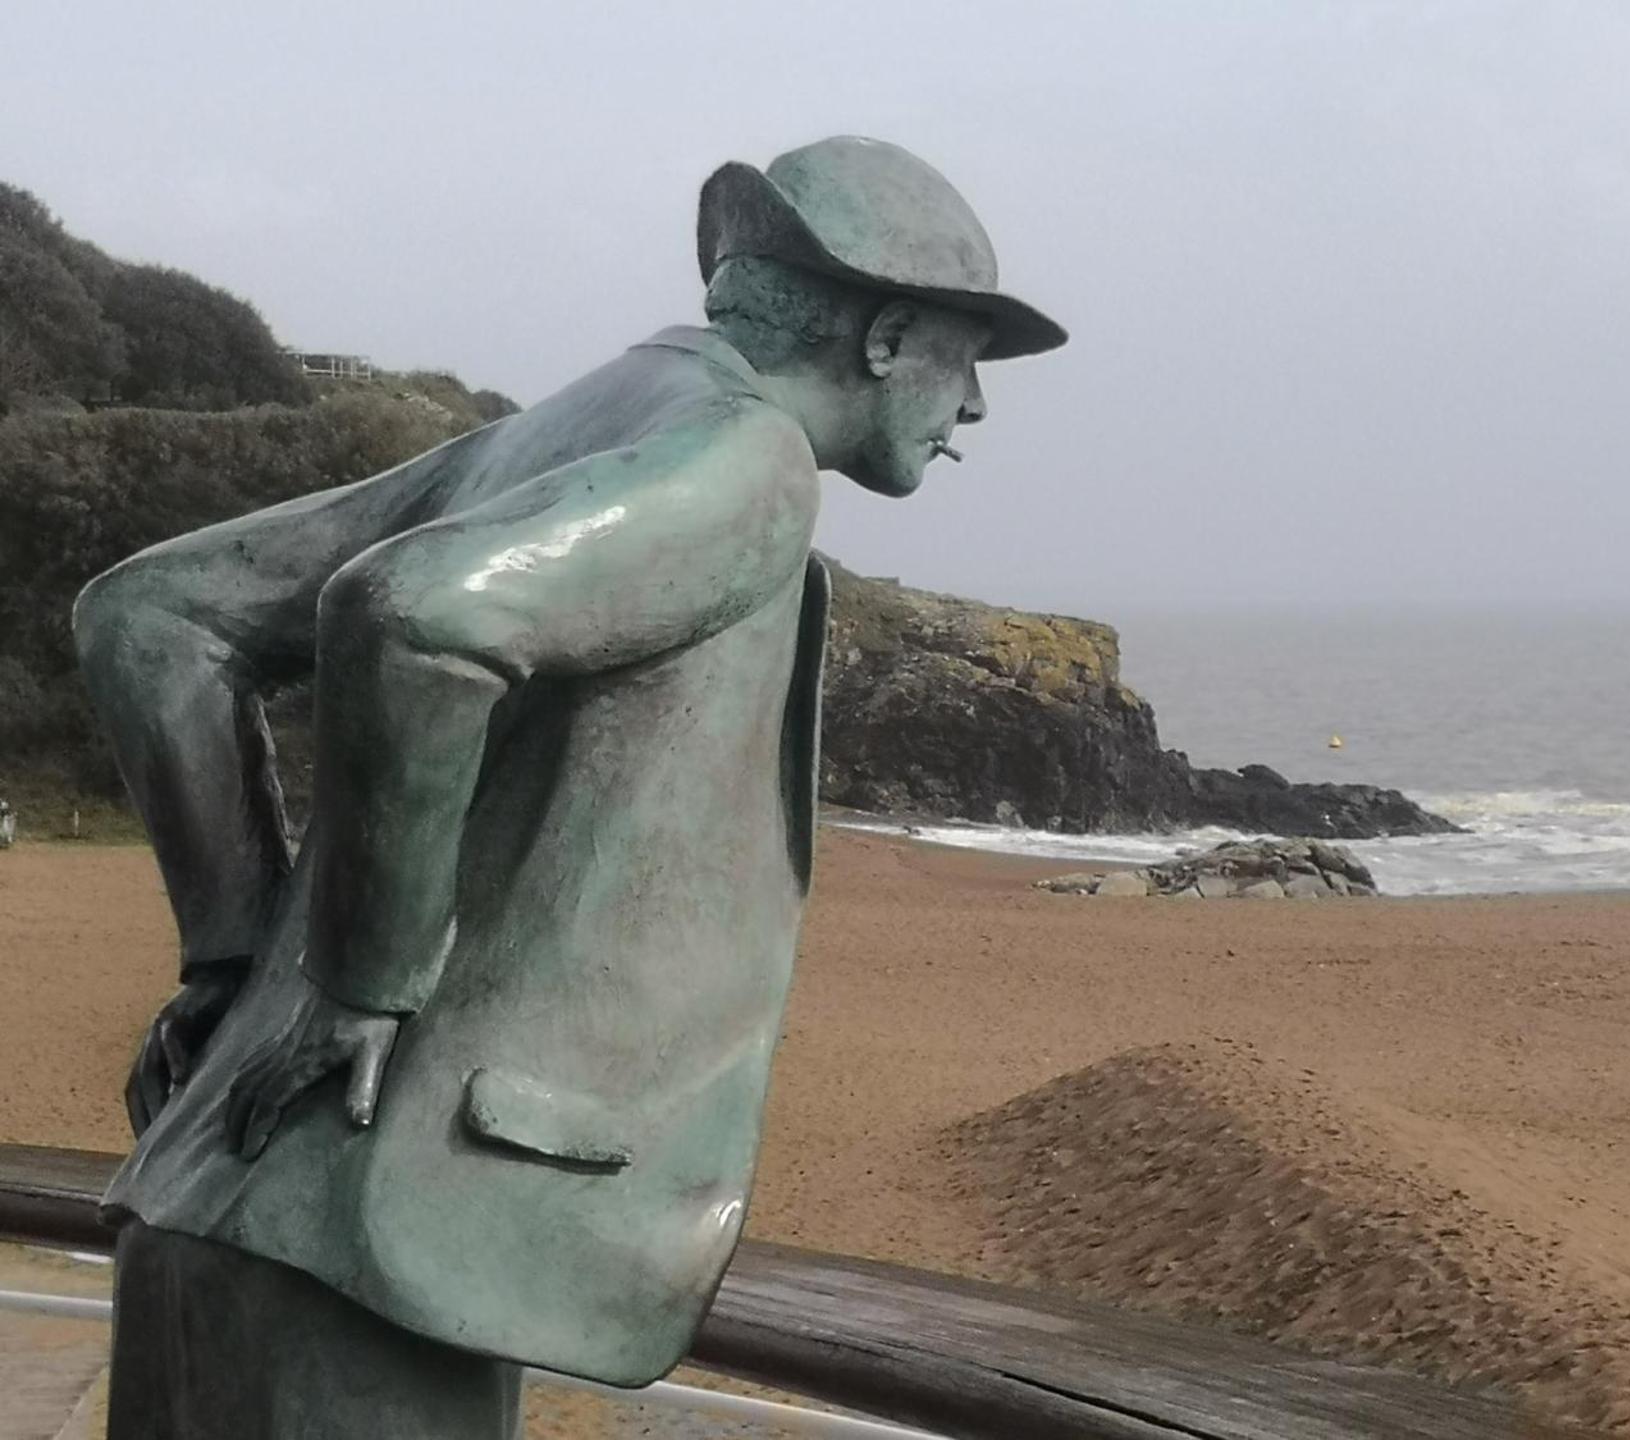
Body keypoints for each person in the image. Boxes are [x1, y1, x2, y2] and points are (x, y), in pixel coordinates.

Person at [74, 136, 1065, 1438]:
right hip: (374, 1246)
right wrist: (357, 982)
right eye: (967, 351)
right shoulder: (743, 460)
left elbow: (154, 620)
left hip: (212, 1200)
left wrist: (234, 968)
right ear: (885, 334)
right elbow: (413, 618)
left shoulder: (565, 427)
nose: (977, 405)